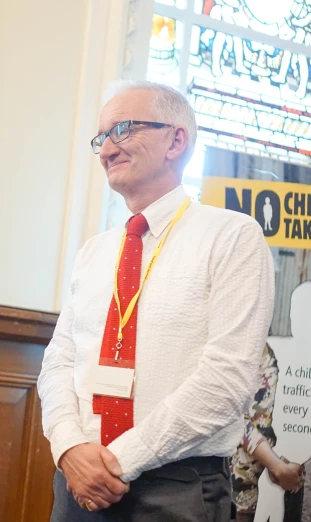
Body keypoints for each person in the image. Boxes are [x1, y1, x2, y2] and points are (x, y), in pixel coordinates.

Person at [37, 80, 274, 521]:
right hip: (78, 483)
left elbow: (226, 381)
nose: (107, 149)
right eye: (101, 137)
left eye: (123, 129)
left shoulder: (232, 237)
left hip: (175, 486)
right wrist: (69, 446)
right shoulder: (95, 251)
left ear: (176, 139)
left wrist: (119, 461)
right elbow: (58, 363)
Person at [231, 344, 303, 522]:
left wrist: (280, 462)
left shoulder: (269, 352)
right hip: (237, 493)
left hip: (274, 487)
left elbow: (264, 419)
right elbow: (234, 416)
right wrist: (275, 464)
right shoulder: (235, 349)